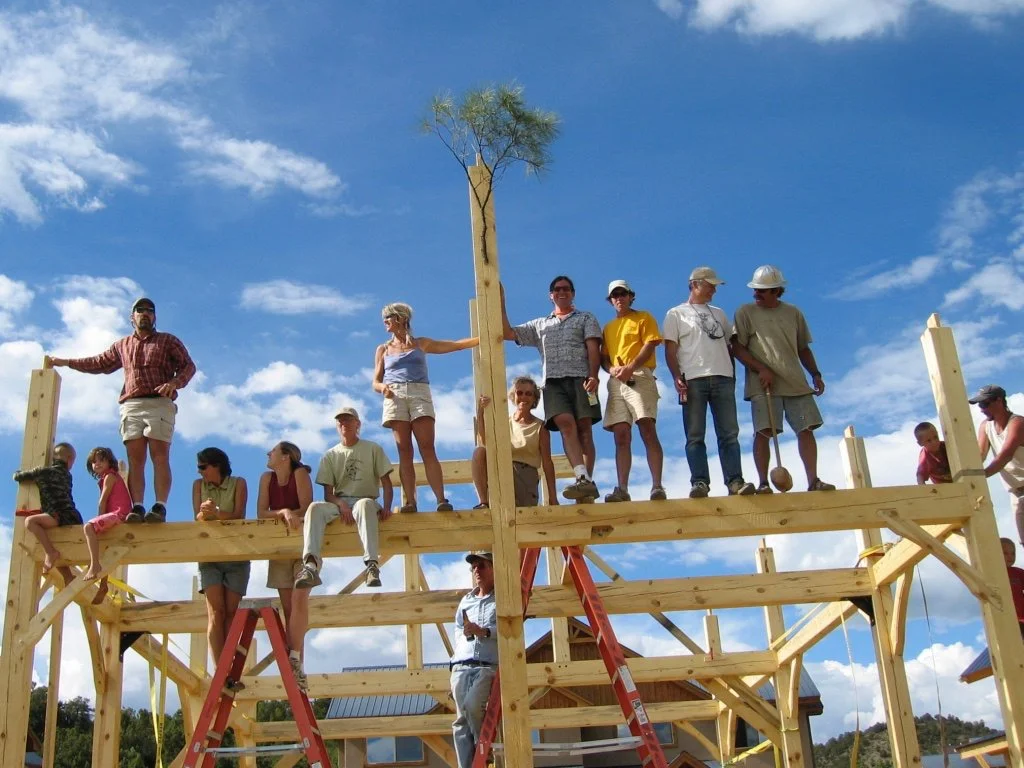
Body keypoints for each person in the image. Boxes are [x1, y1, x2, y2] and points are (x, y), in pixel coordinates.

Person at [46, 297, 196, 523]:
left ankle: (160, 507)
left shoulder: (167, 341)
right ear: (132, 316)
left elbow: (188, 366)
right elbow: (99, 363)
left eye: (150, 311)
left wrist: (174, 383)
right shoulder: (123, 344)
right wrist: (66, 362)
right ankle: (137, 507)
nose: (145, 314)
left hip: (159, 401)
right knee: (135, 459)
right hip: (132, 403)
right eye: (140, 310)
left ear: (155, 317)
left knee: (159, 455)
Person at [289, 407, 394, 690]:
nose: (344, 425)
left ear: (358, 424)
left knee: (363, 505)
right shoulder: (331, 455)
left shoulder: (372, 449)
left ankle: (371, 564)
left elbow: (385, 480)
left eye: (348, 420)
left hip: (366, 502)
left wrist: (387, 504)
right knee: (314, 508)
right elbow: (327, 493)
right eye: (340, 422)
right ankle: (310, 564)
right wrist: (340, 505)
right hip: (341, 504)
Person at [732, 266, 835, 493]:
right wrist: (761, 369)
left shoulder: (793, 313)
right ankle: (763, 483)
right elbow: (737, 348)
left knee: (806, 429)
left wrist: (815, 374)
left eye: (762, 291)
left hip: (796, 381)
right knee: (764, 432)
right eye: (755, 290)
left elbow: (803, 348)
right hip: (763, 383)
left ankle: (813, 481)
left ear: (776, 290)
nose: (756, 294)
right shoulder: (745, 312)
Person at [501, 276, 602, 501]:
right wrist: (501, 301)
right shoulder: (540, 324)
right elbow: (509, 333)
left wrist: (594, 375)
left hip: (581, 379)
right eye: (557, 290)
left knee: (584, 429)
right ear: (551, 295)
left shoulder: (586, 318)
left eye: (566, 289)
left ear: (573, 293)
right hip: (553, 382)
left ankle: (586, 482)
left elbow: (593, 347)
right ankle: (581, 475)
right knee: (566, 424)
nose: (561, 292)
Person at [373, 302, 477, 513]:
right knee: (404, 451)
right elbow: (375, 381)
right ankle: (410, 502)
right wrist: (383, 388)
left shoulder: (421, 344)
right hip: (394, 395)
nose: (385, 322)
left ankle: (441, 499)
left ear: (401, 318)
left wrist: (484, 337)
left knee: (427, 447)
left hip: (420, 393)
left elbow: (455, 345)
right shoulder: (383, 349)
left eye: (389, 317)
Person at [663, 267, 755, 498]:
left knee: (729, 433)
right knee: (695, 435)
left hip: (723, 378)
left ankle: (735, 481)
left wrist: (737, 373)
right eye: (710, 284)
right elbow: (670, 350)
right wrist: (676, 377)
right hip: (693, 379)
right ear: (695, 284)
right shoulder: (675, 313)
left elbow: (732, 345)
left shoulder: (719, 313)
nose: (714, 289)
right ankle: (700, 482)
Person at [601, 280, 665, 502]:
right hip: (616, 380)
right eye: (615, 295)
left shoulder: (643, 317)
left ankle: (657, 485)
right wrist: (613, 369)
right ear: (610, 300)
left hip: (639, 376)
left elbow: (650, 345)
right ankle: (622, 488)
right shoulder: (608, 327)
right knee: (621, 435)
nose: (619, 298)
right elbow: (604, 357)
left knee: (647, 428)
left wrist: (630, 368)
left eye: (623, 294)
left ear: (631, 296)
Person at [192, 447, 250, 670]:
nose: (200, 472)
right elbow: (197, 518)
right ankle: (220, 670)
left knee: (232, 613)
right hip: (209, 553)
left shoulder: (239, 483)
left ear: (216, 465)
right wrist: (205, 514)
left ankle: (230, 665)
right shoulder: (199, 486)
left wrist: (216, 512)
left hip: (236, 553)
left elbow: (238, 515)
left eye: (203, 467)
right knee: (216, 612)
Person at [256, 441, 313, 646]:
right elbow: (261, 513)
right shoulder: (267, 478)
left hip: (302, 544)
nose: (268, 453)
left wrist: (285, 513)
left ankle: (297, 659)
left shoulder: (299, 474)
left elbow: (307, 508)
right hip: (278, 546)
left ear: (285, 457)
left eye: (273, 451)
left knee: (299, 602)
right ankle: (293, 660)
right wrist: (283, 511)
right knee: (288, 609)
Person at [471, 376, 557, 509]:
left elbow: (547, 462)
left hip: (525, 477)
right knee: (479, 451)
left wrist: (553, 497)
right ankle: (484, 502)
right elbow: (484, 441)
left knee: (521, 520)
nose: (524, 397)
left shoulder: (540, 427)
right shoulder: (504, 422)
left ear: (534, 399)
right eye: (520, 393)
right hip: (502, 473)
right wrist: (481, 411)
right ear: (513, 396)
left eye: (528, 394)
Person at [450, 551, 498, 768]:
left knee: (472, 705)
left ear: (494, 568)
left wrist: (485, 632)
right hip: (461, 665)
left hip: (486, 665)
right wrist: (466, 636)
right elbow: (458, 630)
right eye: (474, 567)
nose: (477, 570)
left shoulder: (502, 598)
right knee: (460, 722)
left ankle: (484, 750)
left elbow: (510, 627)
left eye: (482, 566)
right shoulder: (466, 601)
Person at [15, 442, 81, 584]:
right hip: (71, 516)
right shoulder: (68, 475)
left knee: (31, 522)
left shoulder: (42, 472)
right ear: (69, 459)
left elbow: (18, 477)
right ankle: (67, 575)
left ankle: (50, 553)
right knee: (55, 541)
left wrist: (18, 473)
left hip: (57, 515)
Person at [972, 385, 1024, 545]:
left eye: (984, 404)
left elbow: (1005, 456)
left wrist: (978, 477)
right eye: (979, 405)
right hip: (1016, 492)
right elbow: (979, 455)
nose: (981, 409)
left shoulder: (1017, 423)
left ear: (999, 400)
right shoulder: (985, 426)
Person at [82, 447, 133, 605]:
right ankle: (103, 585)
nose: (96, 464)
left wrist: (98, 519)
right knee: (104, 545)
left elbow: (102, 501)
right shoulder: (105, 477)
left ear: (109, 462)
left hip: (119, 513)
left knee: (88, 528)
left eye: (101, 460)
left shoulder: (110, 476)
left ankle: (94, 564)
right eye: (93, 461)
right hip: (115, 514)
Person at [1001, 538, 1024, 631]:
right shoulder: (993, 573)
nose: (1010, 556)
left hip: (1022, 618)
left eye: (1013, 553)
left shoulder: (1017, 572)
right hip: (1006, 619)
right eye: (1005, 553)